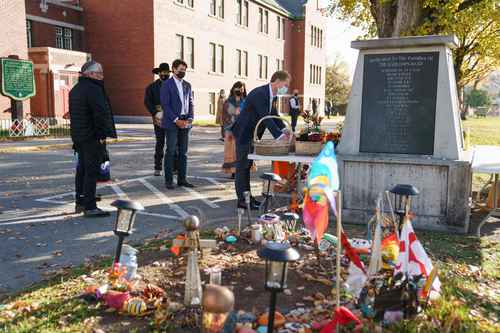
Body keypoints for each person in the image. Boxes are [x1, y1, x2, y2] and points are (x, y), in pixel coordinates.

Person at [231, 70, 292, 209]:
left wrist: (284, 129)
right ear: (277, 81)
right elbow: (265, 116)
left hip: (252, 134)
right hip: (243, 133)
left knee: (247, 166)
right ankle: (242, 201)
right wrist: (279, 136)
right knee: (242, 167)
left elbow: (273, 114)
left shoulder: (272, 95)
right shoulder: (260, 93)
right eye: (285, 84)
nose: (286, 88)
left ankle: (248, 199)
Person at [69, 60, 117, 217]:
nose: (102, 76)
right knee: (91, 171)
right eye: (99, 73)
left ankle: (80, 201)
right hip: (92, 137)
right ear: (89, 74)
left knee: (81, 170)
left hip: (79, 136)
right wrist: (102, 136)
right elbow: (100, 114)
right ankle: (90, 206)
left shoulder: (75, 89)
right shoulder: (94, 89)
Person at [160, 59, 195, 189]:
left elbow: (191, 103)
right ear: (174, 69)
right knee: (170, 151)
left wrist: (190, 118)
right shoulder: (166, 84)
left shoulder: (187, 85)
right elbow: (165, 105)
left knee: (183, 152)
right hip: (171, 123)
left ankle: (182, 179)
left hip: (185, 122)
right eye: (180, 70)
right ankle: (169, 181)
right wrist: (176, 120)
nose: (183, 72)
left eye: (184, 70)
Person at [144, 62, 170, 176]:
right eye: (162, 72)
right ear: (158, 73)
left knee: (172, 143)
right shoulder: (152, 87)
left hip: (171, 117)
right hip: (158, 118)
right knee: (160, 142)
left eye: (166, 72)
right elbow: (147, 101)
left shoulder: (173, 85)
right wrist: (155, 113)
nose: (164, 74)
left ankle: (173, 167)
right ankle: (157, 167)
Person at [222, 82, 247, 178]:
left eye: (241, 88)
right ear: (233, 89)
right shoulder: (228, 102)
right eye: (237, 88)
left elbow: (248, 116)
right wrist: (229, 129)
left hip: (243, 130)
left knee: (242, 150)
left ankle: (242, 170)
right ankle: (233, 171)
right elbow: (224, 117)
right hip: (230, 130)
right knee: (232, 151)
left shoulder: (246, 101)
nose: (239, 90)